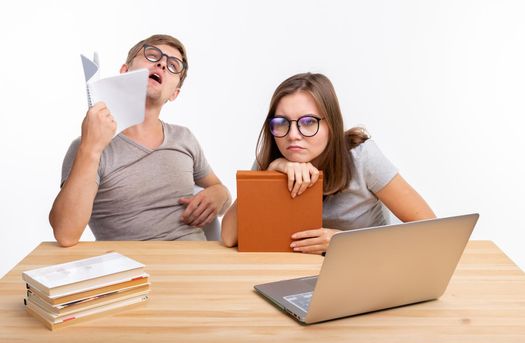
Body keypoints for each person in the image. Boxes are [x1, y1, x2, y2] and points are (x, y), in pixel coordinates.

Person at [221, 72, 435, 254]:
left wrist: (342, 242)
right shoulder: (271, 160)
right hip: (295, 273)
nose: (293, 135)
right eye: (281, 123)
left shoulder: (361, 157)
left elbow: (430, 227)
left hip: (366, 266)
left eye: (308, 122)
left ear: (330, 124)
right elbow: (229, 236)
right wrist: (269, 174)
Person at [50, 34, 231, 247]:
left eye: (173, 65)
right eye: (152, 55)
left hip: (194, 264)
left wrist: (219, 195)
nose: (162, 63)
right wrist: (91, 148)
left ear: (174, 93)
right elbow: (65, 234)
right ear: (124, 72)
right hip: (130, 270)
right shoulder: (87, 146)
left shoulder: (184, 138)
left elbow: (222, 193)